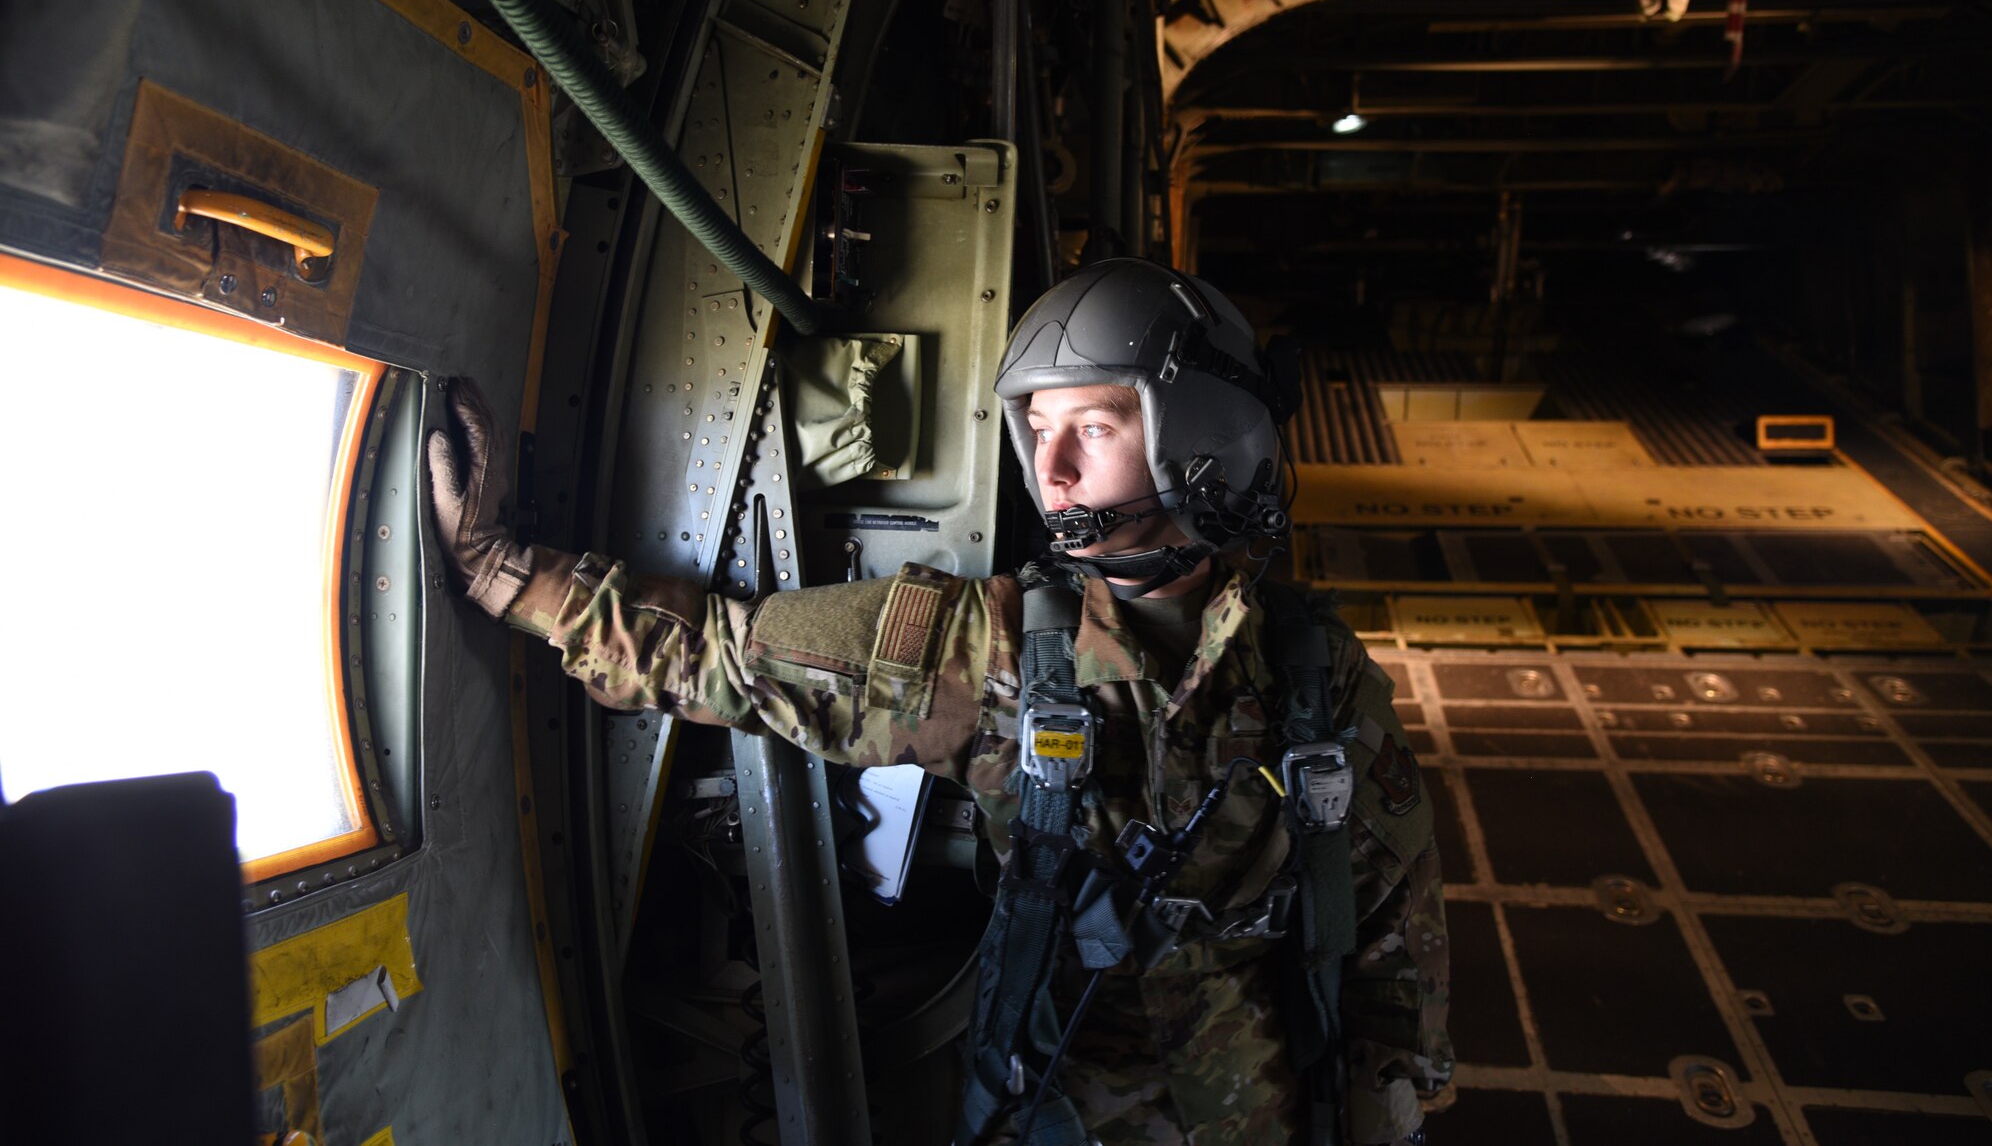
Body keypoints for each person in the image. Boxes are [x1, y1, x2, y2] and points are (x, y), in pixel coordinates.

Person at [428, 258, 1451, 1144]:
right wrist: (508, 576)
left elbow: (1389, 947)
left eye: (1089, 427)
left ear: (1202, 436)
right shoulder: (993, 648)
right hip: (1056, 1114)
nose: (1048, 472)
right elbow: (731, 656)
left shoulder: (1318, 678)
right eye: (1036, 429)